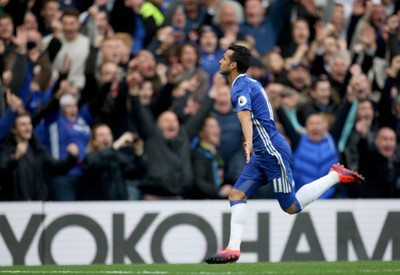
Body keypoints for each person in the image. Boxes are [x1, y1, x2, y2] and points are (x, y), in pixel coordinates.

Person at [205, 45, 365, 264]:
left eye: (223, 59)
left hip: (271, 151)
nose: (220, 61)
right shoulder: (249, 83)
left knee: (290, 206)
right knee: (236, 195)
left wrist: (249, 142)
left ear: (233, 64)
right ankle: (233, 249)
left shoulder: (240, 86)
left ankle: (335, 175)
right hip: (263, 152)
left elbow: (245, 115)